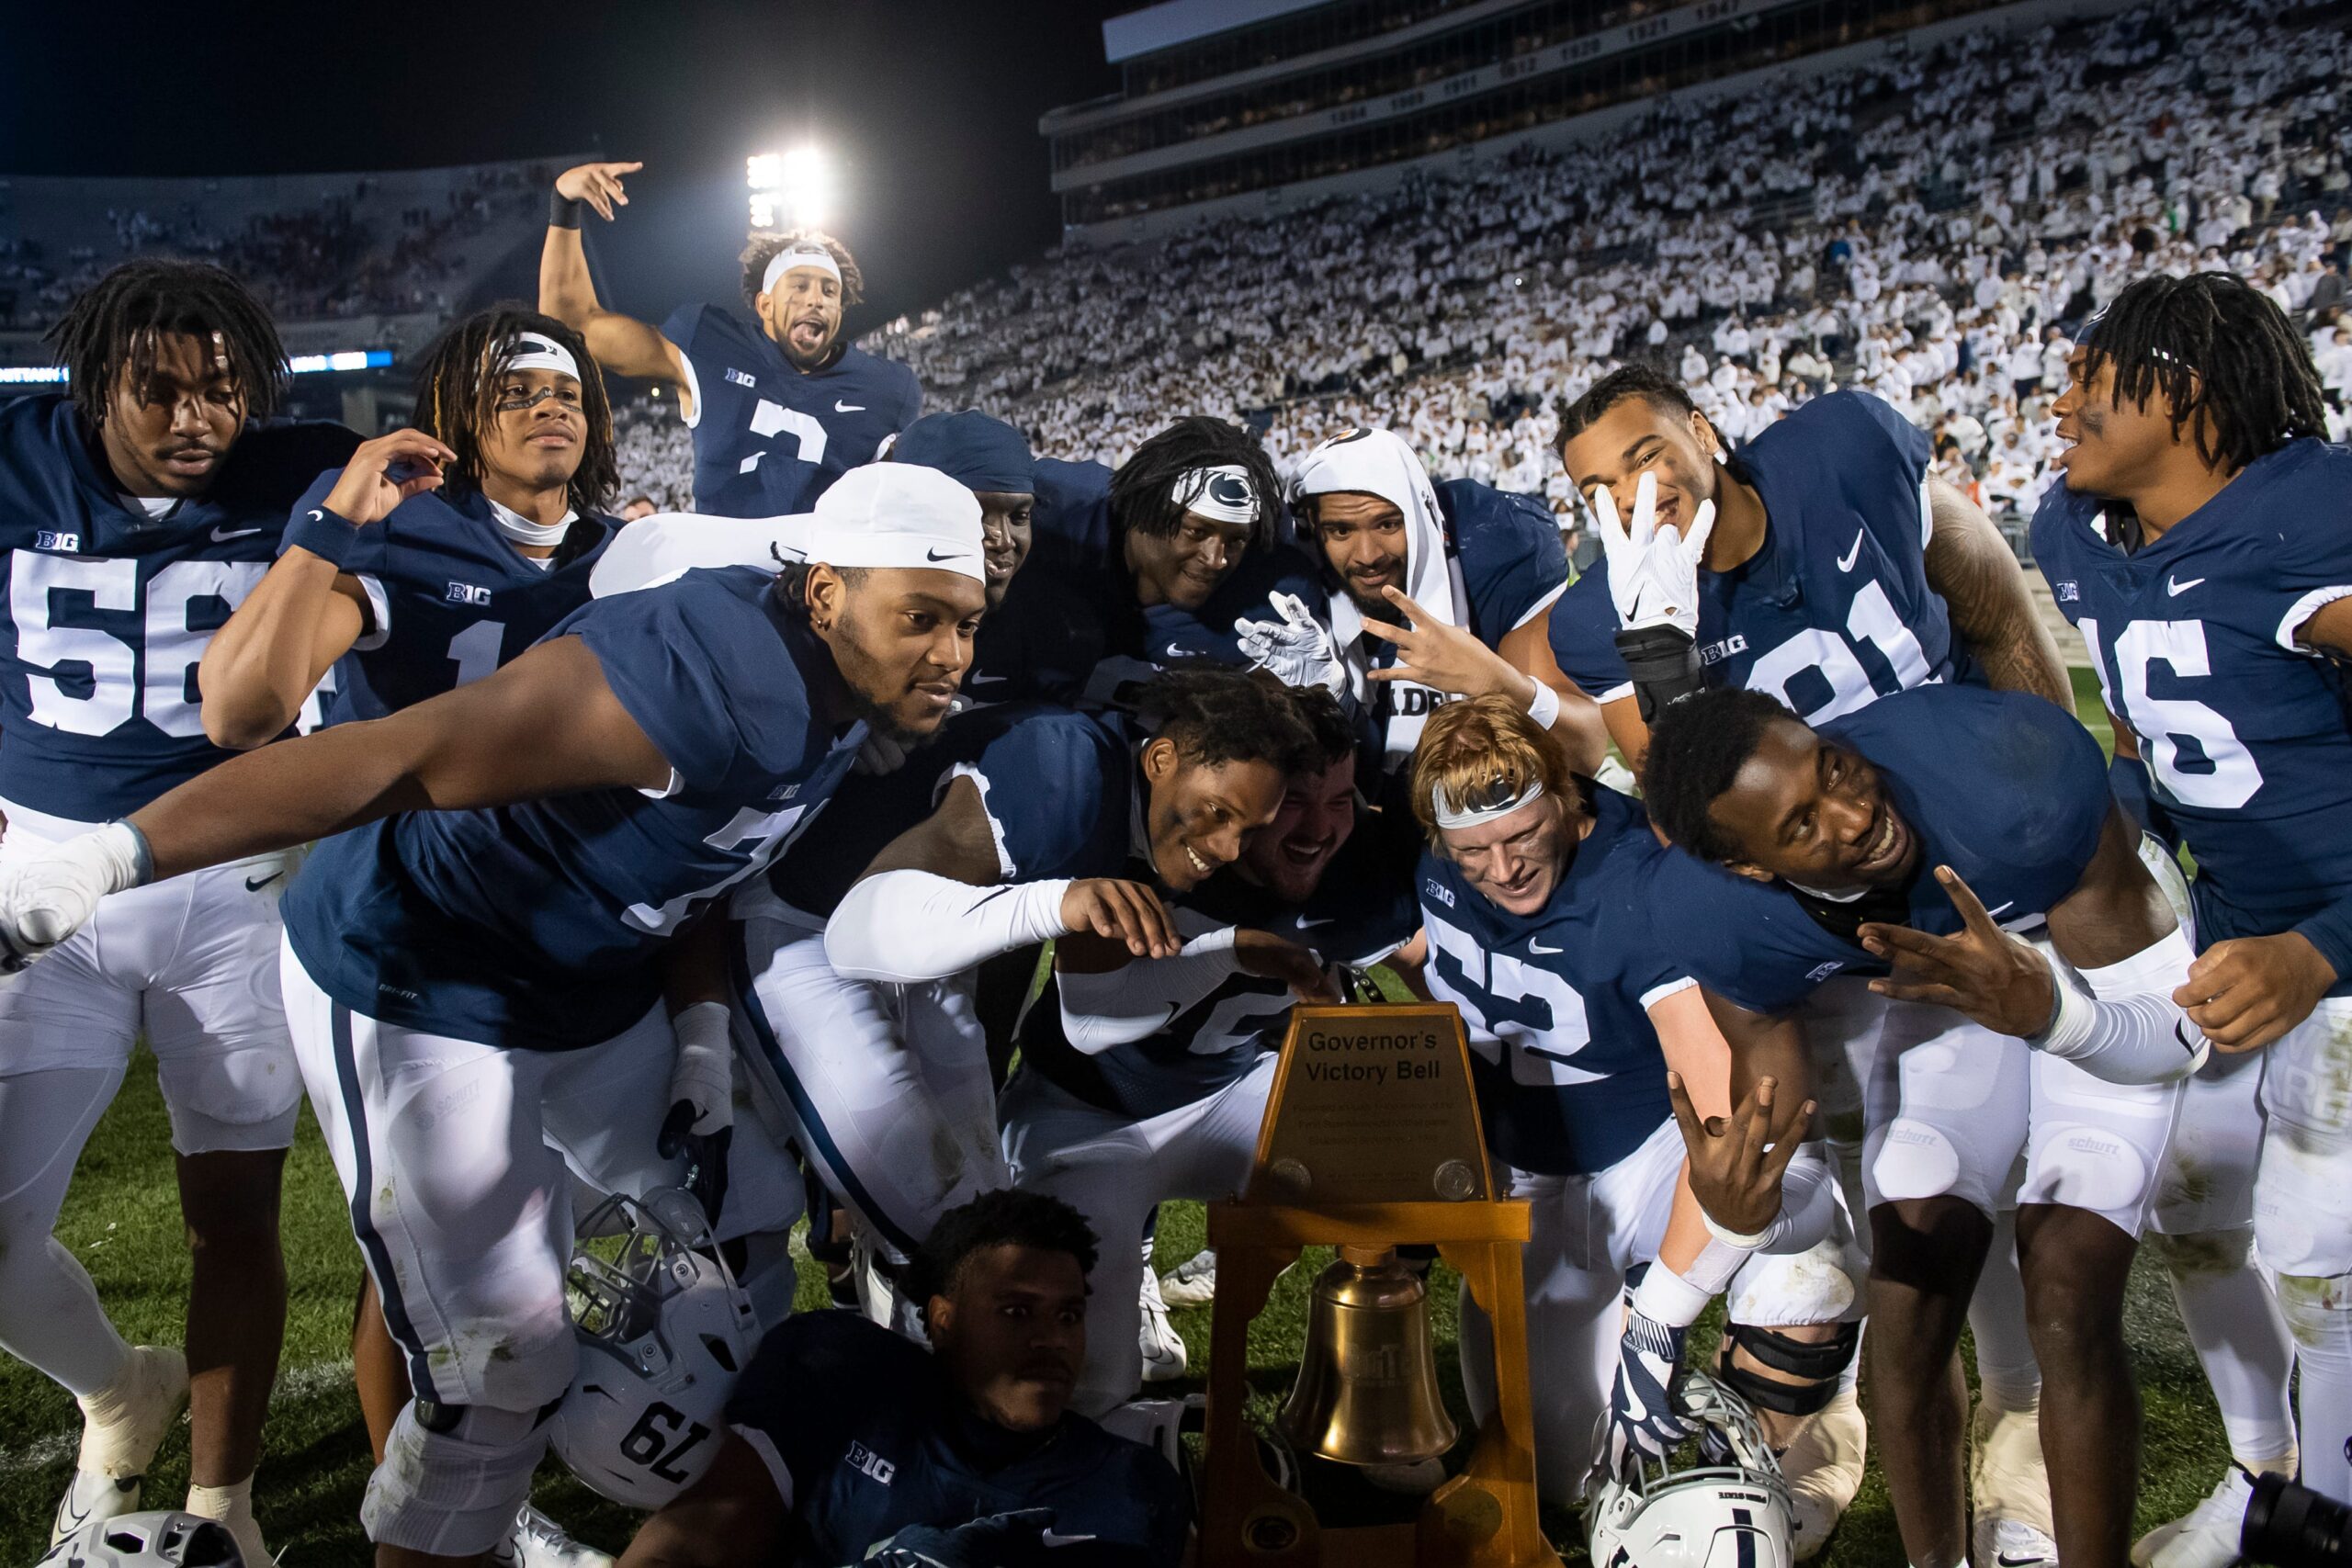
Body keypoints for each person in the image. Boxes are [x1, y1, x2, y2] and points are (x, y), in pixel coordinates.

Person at [0, 462, 990, 1567]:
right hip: (426, 970)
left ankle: (699, 1534)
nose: (949, 655)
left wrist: (701, 1039)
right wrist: (115, 855)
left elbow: (706, 868)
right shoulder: (708, 676)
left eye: (965, 624)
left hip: (592, 980)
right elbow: (399, 757)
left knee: (745, 1219)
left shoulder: (846, 674)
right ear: (822, 593)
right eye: (921, 619)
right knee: (498, 1370)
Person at [1551, 364, 2075, 1560]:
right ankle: (1853, 1421)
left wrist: (2057, 787)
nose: (1630, 498)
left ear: (1704, 429)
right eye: (1594, 487)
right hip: (1827, 937)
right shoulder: (1611, 616)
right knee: (1913, 1187)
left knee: (2018, 1188)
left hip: (1973, 876)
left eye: (1642, 457)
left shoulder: (1838, 451)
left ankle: (2025, 1437)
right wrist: (1662, 652)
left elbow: (1989, 599)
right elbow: (1694, 820)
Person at [196, 309, 640, 1565]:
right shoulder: (407, 536)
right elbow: (241, 708)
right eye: (513, 389)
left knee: (560, 1241)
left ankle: (502, 1488)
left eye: (566, 388)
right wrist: (331, 525)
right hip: (412, 940)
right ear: (457, 411)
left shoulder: (629, 549)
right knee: (429, 1274)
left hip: (579, 940)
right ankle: (457, 1517)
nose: (548, 405)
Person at [1641, 682, 2202, 1568]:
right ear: (1752, 869)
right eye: (1802, 827)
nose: (1855, 812)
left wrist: (2054, 1014)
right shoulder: (1719, 914)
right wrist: (1737, 1209)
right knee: (1906, 1285)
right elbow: (1784, 1143)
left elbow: (2175, 1043)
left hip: (2086, 964)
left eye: (1835, 768)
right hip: (1941, 983)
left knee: (2066, 1281)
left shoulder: (2012, 777)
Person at [0, 259, 357, 1562]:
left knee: (234, 1214)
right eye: (160, 388)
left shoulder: (309, 464)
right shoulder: (15, 458)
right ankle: (112, 1384)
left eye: (223, 387)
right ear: (98, 381)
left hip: (235, 885)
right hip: (46, 885)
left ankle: (223, 1506)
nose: (199, 414)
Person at [2034, 270, 2352, 1566]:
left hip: (2329, 948)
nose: (2064, 402)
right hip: (2233, 939)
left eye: (2098, 376)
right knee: (2195, 1200)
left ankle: (2326, 1511)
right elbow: (2149, 731)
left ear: (2190, 391)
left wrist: (2327, 943)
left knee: (2321, 1248)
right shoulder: (2081, 535)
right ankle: (2266, 1474)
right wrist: (2124, 835)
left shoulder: (2308, 520)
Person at [730, 669, 1320, 1330]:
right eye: (1219, 812)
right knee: (947, 1225)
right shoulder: (1067, 769)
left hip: (922, 953)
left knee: (985, 1210)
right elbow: (858, 929)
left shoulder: (1135, 807)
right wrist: (1053, 902)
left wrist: (1232, 954)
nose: (1228, 847)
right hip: (808, 929)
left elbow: (1093, 1015)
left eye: (1248, 826)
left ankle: (919, 1351)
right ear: (1161, 759)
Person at [1407, 694, 1836, 1496]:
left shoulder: (1637, 881)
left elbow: (1722, 1116)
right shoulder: (1433, 861)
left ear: (1568, 804)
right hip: (1523, 1175)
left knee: (1798, 1232)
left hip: (1651, 1150)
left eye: (1522, 834)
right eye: (1474, 852)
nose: (1503, 869)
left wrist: (1656, 1325)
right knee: (1563, 1478)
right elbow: (1414, 963)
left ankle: (1785, 1419)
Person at [1000, 686, 1419, 1414]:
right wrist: (1231, 951)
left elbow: (1436, 968)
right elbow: (1090, 1016)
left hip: (1229, 1089)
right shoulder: (1157, 848)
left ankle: (1370, 1404)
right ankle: (1125, 1289)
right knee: (1095, 1378)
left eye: (1342, 800)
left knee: (1394, 1167)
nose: (1320, 828)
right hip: (1087, 1116)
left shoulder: (1359, 868)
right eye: (1293, 802)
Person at [615, 1190, 1192, 1568]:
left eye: (1068, 1314)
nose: (1053, 1339)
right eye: (1017, 1312)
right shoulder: (842, 1378)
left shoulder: (1128, 1491)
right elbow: (691, 1541)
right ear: (943, 1320)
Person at [537, 161, 920, 516]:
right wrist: (564, 205)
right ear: (765, 304)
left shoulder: (887, 388)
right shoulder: (707, 344)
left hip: (825, 578)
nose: (815, 300)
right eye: (799, 286)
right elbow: (572, 321)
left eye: (829, 291)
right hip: (724, 574)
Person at [1283, 424, 1607, 789]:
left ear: (1421, 513)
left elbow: (1584, 752)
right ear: (1311, 527)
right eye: (1341, 531)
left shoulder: (1494, 546)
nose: (1367, 555)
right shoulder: (1288, 577)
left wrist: (1493, 680)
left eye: (1388, 524)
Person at [964, 417, 1314, 708]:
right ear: (1141, 511)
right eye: (1195, 531)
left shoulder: (1273, 572)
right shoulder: (1055, 509)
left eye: (1236, 539)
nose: (1215, 559)